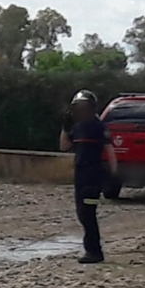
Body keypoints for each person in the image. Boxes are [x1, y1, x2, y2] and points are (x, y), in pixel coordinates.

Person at [59, 90, 117, 264]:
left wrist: (113, 175)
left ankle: (94, 251)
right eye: (79, 108)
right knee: (81, 213)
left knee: (88, 213)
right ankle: (91, 249)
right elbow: (64, 146)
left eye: (85, 107)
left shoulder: (99, 126)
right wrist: (65, 127)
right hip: (80, 175)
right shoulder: (77, 127)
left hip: (93, 175)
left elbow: (109, 150)